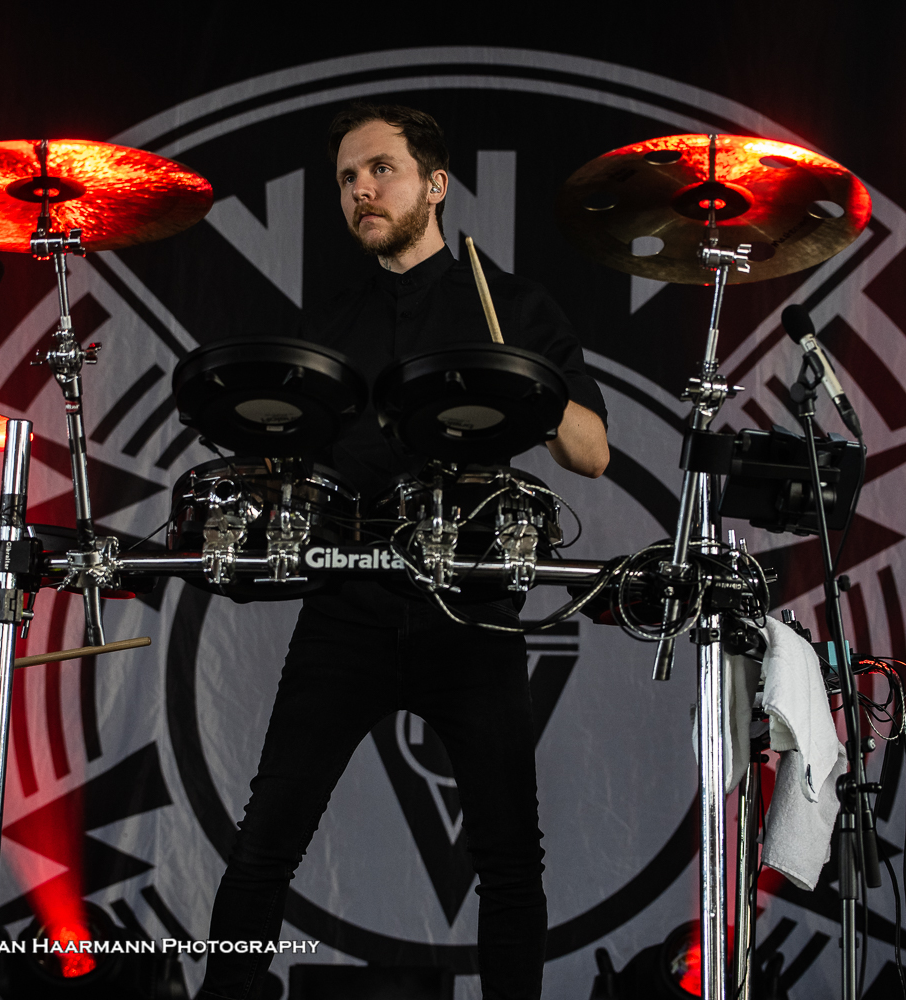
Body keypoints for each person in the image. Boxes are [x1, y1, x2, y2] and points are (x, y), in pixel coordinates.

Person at [198, 103, 609, 1000]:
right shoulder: (331, 322)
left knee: (509, 861)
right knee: (264, 844)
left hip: (470, 613)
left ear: (436, 184)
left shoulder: (512, 305)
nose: (361, 190)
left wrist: (523, 380)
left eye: (380, 169)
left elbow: (592, 455)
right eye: (347, 177)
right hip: (347, 611)